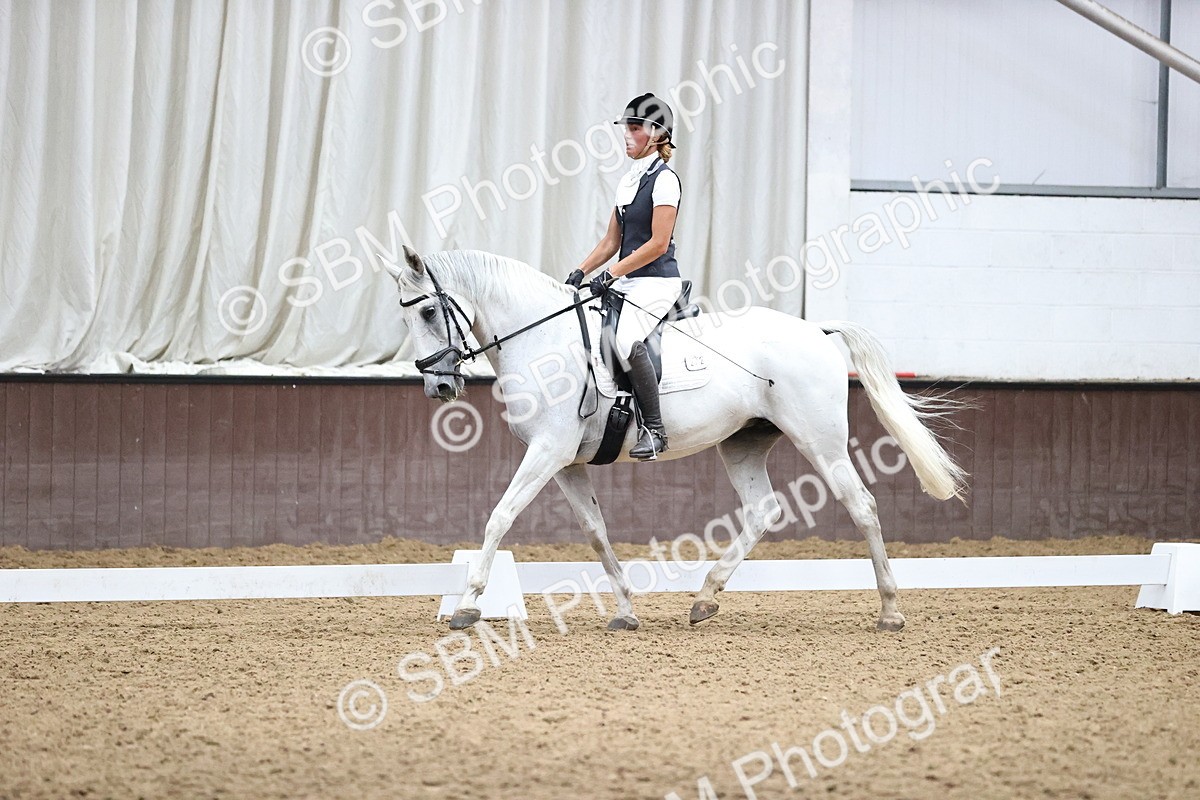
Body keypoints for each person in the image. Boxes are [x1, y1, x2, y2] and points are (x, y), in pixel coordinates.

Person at [566, 93, 683, 461]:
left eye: (635, 128)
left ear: (657, 134)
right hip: (630, 279)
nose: (627, 136)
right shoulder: (628, 182)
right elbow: (610, 242)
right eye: (627, 128)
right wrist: (580, 272)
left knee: (626, 338)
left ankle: (655, 429)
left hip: (658, 281)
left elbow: (658, 244)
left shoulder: (665, 181)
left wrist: (612, 273)